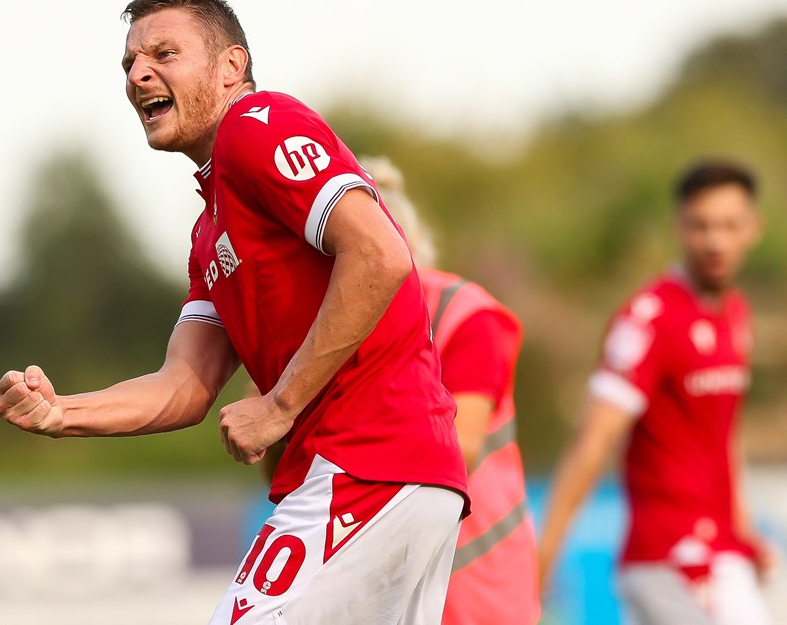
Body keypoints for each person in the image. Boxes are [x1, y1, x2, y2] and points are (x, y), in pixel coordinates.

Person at [0, 0, 469, 624]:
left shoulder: (254, 126)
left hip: (365, 462)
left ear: (230, 68)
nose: (139, 75)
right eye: (129, 64)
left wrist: (280, 405)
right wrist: (60, 413)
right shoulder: (208, 230)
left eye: (164, 53)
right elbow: (185, 386)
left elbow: (381, 255)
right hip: (405, 473)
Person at [257, 157, 541, 624]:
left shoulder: (464, 313)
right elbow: (281, 473)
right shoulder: (318, 336)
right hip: (362, 567)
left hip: (473, 580)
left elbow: (460, 450)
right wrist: (276, 404)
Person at [537, 159, 774, 624]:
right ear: (679, 227)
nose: (715, 241)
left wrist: (744, 530)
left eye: (729, 226)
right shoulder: (649, 319)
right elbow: (595, 439)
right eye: (701, 226)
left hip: (722, 551)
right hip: (669, 555)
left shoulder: (735, 314)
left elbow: (722, 433)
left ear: (753, 229)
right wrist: (545, 555)